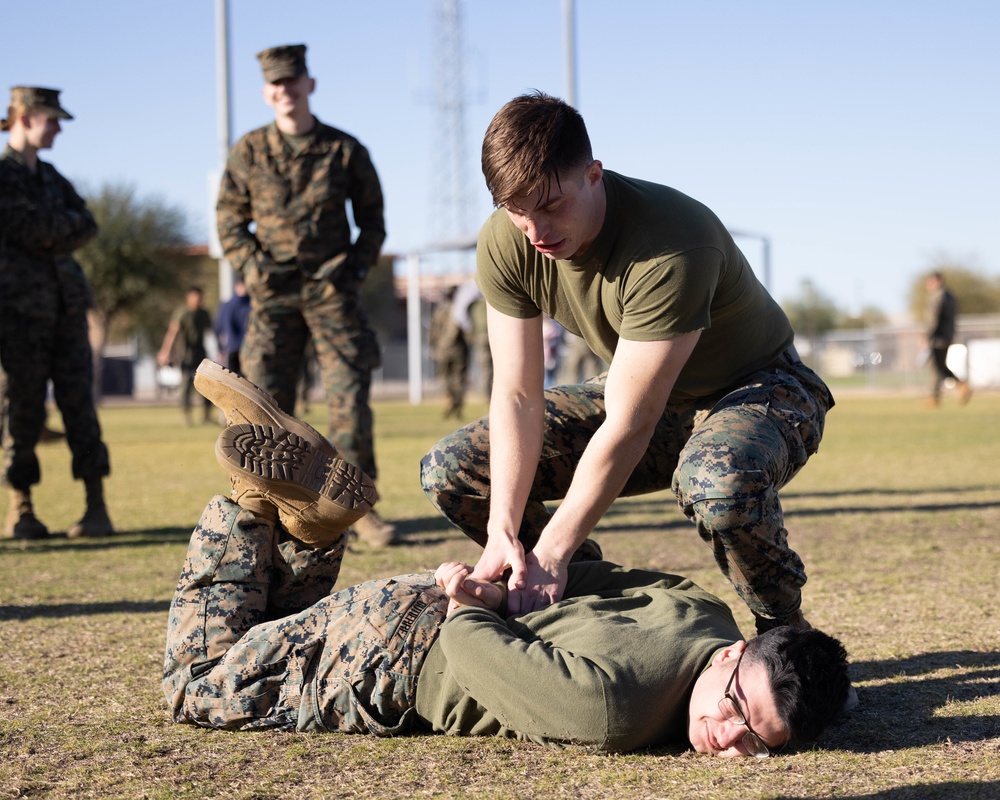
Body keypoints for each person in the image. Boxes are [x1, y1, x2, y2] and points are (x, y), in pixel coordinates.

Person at [164, 361, 852, 756]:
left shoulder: (703, 610)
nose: (725, 739)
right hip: (393, 662)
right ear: (735, 657)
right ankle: (249, 502)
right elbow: (472, 652)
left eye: (758, 745)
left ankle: (311, 531)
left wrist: (493, 594)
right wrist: (473, 607)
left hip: (416, 605)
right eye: (737, 709)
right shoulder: (620, 712)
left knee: (273, 633)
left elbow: (575, 578)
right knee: (196, 683)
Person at [420, 92, 835, 634]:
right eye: (516, 211)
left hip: (759, 387)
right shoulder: (506, 242)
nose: (536, 232)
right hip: (640, 392)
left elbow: (632, 422)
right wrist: (504, 528)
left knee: (718, 483)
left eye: (550, 205)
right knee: (454, 469)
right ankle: (578, 594)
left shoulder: (672, 243)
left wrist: (553, 545)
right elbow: (517, 395)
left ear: (594, 174)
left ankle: (785, 633)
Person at [216, 44, 396, 547]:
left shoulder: (344, 150)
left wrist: (353, 271)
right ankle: (262, 507)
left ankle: (358, 512)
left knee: (350, 403)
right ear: (266, 93)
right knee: (263, 402)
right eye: (276, 85)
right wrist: (252, 266)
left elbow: (374, 221)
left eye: (293, 82)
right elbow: (229, 220)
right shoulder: (249, 151)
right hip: (273, 295)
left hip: (331, 293)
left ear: (309, 85)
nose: (285, 91)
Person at [0, 86, 113, 540]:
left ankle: (96, 508)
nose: (59, 128)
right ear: (26, 117)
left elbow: (86, 222)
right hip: (19, 315)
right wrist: (55, 229)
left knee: (79, 408)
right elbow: (24, 225)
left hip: (67, 309)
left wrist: (50, 230)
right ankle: (21, 508)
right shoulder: (3, 176)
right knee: (21, 410)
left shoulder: (50, 177)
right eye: (52, 120)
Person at [157, 286, 216, 426]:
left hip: (201, 354)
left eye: (201, 296)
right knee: (185, 385)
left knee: (207, 384)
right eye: (196, 296)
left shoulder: (204, 313)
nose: (199, 299)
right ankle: (186, 416)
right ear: (189, 297)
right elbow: (172, 333)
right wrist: (165, 352)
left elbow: (211, 332)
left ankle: (207, 416)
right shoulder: (182, 313)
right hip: (186, 355)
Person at [923, 271, 970, 408]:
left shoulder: (937, 296)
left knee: (936, 368)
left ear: (936, 281)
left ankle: (936, 397)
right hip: (948, 335)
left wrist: (927, 336)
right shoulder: (950, 296)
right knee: (941, 366)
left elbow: (933, 319)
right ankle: (942, 393)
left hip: (937, 337)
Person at [428, 285, 470, 418]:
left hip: (442, 350)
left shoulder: (440, 311)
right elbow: (467, 330)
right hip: (458, 350)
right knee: (459, 379)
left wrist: (434, 347)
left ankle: (449, 401)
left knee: (444, 378)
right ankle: (457, 406)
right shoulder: (461, 311)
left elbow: (433, 332)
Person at [214, 278, 250, 375]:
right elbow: (218, 328)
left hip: (249, 349)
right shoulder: (227, 306)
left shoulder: (251, 305)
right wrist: (220, 348)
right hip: (232, 349)